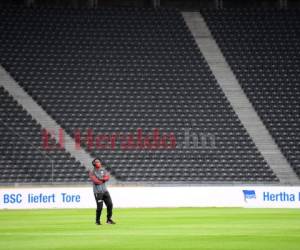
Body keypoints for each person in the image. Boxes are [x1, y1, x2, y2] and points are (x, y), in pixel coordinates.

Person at [89, 158, 116, 225]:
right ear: (94, 164)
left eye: (99, 162)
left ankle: (109, 220)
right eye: (97, 162)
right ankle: (97, 221)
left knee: (110, 205)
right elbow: (96, 181)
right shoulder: (92, 172)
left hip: (105, 191)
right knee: (100, 207)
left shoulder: (103, 170)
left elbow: (107, 177)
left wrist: (101, 179)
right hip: (98, 192)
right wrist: (103, 180)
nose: (99, 163)